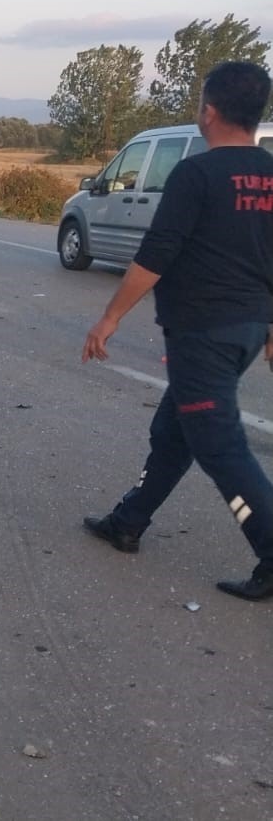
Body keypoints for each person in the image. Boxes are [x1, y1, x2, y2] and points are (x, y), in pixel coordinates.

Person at [80, 60, 273, 602]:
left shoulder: (197, 174)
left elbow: (156, 256)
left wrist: (110, 316)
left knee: (220, 446)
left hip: (202, 335)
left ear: (209, 112)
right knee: (174, 433)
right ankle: (128, 520)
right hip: (245, 331)